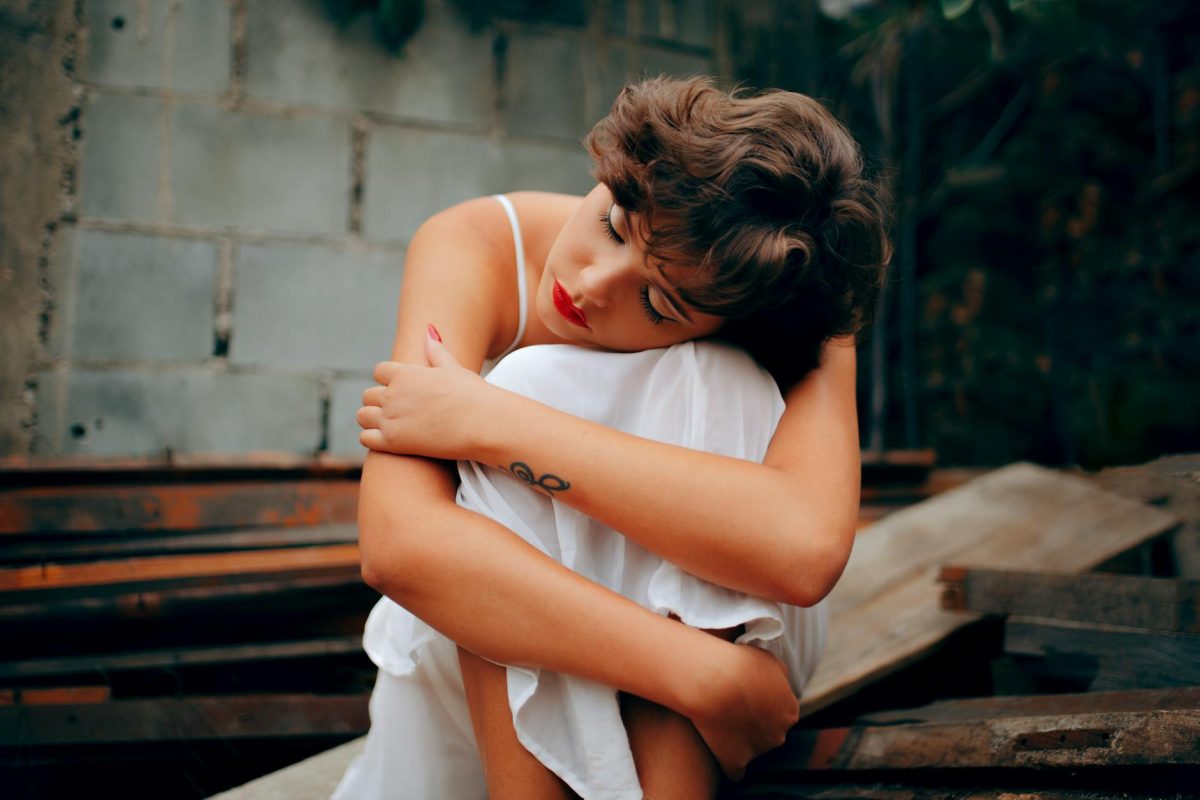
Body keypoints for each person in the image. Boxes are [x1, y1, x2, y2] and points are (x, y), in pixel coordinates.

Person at [340, 76, 889, 798]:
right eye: (612, 224)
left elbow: (802, 551)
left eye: (658, 303)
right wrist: (696, 673)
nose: (592, 284)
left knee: (711, 376)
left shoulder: (782, 288)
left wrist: (491, 422)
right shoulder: (474, 242)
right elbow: (397, 545)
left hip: (749, 632)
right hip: (493, 661)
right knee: (530, 378)